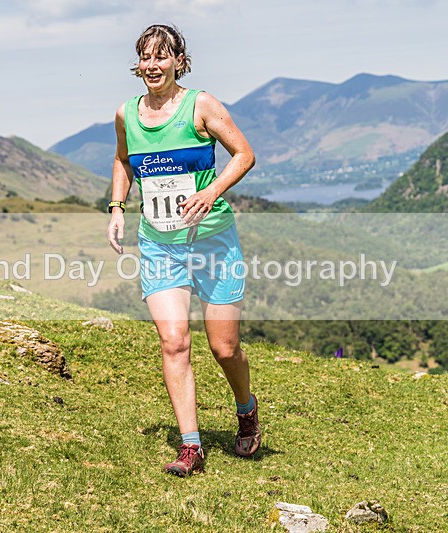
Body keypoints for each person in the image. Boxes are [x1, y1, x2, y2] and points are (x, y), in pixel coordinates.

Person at [106, 24, 260, 477]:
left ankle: (246, 408)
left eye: (161, 56)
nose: (152, 65)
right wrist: (116, 207)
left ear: (179, 61)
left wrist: (211, 191)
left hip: (211, 239)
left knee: (225, 347)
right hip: (159, 242)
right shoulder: (126, 114)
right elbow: (122, 160)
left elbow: (244, 154)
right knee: (174, 341)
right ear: (138, 64)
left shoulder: (201, 105)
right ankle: (190, 446)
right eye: (145, 57)